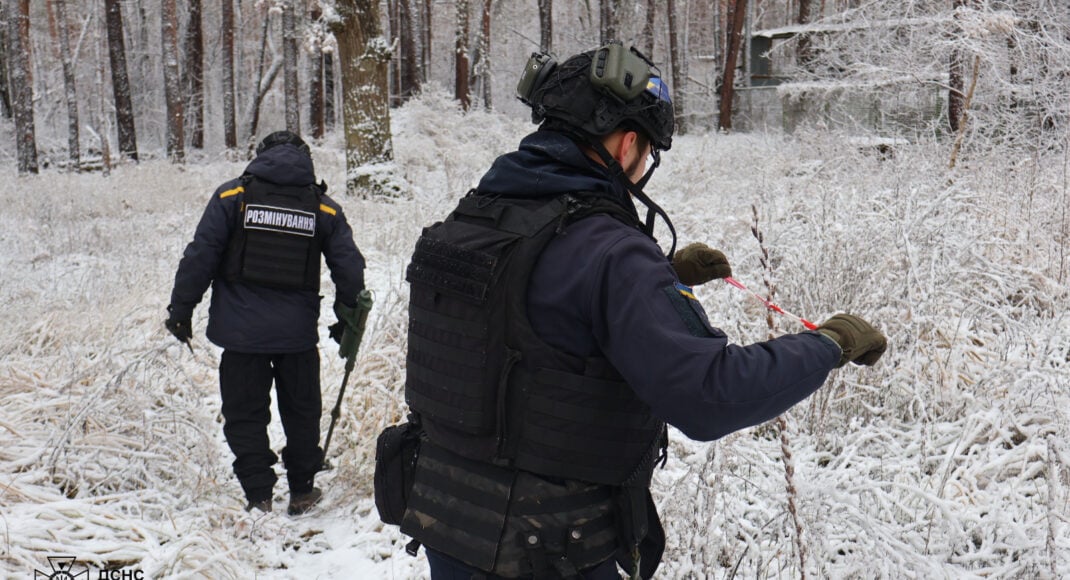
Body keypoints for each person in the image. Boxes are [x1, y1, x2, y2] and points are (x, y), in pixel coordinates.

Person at [388, 45, 887, 579]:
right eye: (648, 151)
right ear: (627, 144)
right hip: (552, 548)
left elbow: (533, 318)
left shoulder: (472, 220)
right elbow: (709, 396)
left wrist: (665, 274)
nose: (645, 164)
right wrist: (828, 344)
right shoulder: (611, 252)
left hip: (449, 525)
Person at [165, 131, 367, 516]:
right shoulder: (322, 208)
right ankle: (303, 490)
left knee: (244, 414)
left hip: (240, 336)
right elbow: (350, 268)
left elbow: (200, 256)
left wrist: (181, 310)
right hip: (296, 337)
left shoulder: (232, 198)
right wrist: (348, 320)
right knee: (302, 411)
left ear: (260, 156)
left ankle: (258, 495)